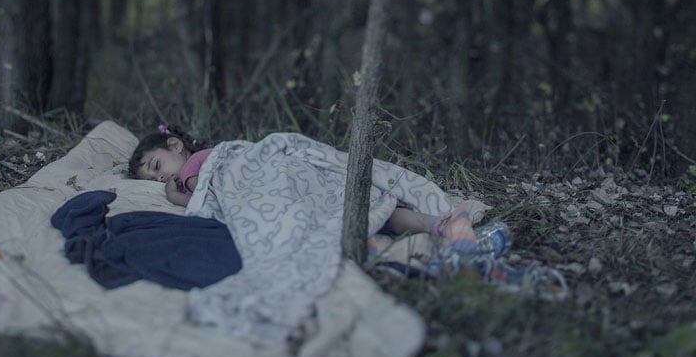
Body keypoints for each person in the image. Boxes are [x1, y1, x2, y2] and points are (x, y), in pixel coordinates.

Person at [128, 125, 479, 252]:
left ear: (175, 146)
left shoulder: (196, 165)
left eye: (156, 166)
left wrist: (173, 195)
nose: (159, 179)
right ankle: (441, 223)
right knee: (370, 209)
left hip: (278, 181)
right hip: (300, 179)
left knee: (311, 214)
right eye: (151, 179)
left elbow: (197, 197)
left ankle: (373, 240)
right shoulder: (201, 160)